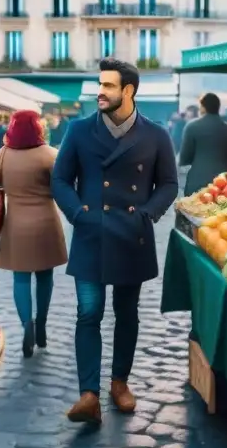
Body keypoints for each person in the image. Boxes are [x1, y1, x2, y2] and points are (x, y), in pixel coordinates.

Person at [52, 58, 178, 424]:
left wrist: (148, 212)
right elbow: (60, 180)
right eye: (99, 85)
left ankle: (119, 382)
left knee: (127, 314)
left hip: (131, 236)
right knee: (88, 313)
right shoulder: (78, 130)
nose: (99, 92)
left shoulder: (156, 135)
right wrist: (78, 214)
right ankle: (88, 393)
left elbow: (168, 183)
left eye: (108, 86)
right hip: (91, 234)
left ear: (128, 91)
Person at [0, 110, 66, 358]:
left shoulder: (3, 154)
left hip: (15, 223)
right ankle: (42, 323)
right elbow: (61, 189)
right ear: (38, 128)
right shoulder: (50, 155)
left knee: (20, 278)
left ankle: (27, 325)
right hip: (46, 222)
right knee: (45, 277)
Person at [178, 93, 227, 196]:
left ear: (203, 108)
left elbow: (184, 159)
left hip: (197, 183)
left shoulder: (191, 127)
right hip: (224, 185)